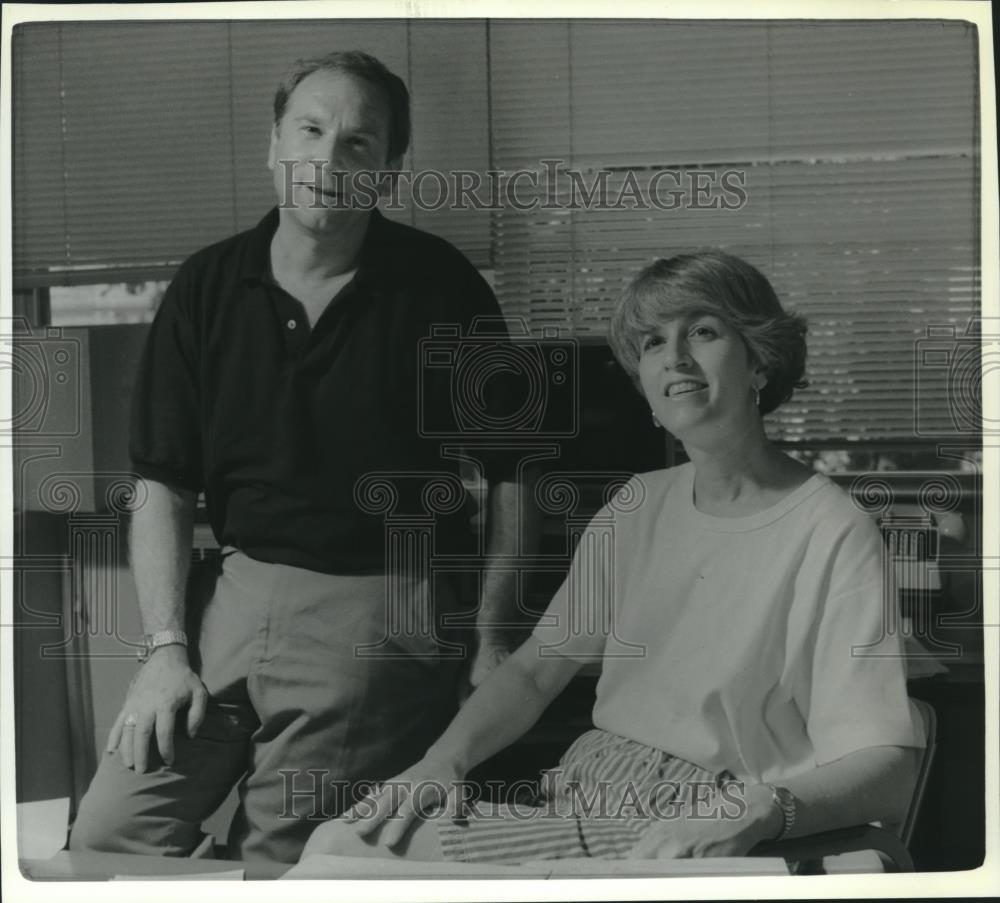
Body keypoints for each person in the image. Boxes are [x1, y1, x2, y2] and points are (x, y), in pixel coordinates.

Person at [300, 249, 925, 864]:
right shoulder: (638, 504)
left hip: (695, 825)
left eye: (702, 332)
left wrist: (759, 811)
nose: (675, 358)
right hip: (581, 794)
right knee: (347, 842)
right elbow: (534, 670)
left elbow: (888, 771)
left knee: (340, 856)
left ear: (761, 361)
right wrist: (440, 763)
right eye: (652, 343)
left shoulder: (832, 532)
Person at [69, 51, 532, 864]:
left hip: (380, 606)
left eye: (358, 143)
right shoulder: (206, 286)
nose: (327, 160)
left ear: (388, 171)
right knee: (108, 837)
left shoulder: (442, 287)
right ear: (272, 145)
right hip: (233, 594)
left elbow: (513, 475)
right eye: (310, 131)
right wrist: (165, 646)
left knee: (282, 858)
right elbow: (164, 481)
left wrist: (491, 633)